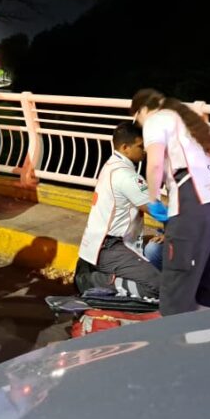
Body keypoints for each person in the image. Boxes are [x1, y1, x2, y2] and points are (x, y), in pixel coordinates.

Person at [132, 89, 210, 315]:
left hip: (195, 196)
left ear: (143, 109)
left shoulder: (157, 118)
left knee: (178, 282)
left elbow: (154, 164)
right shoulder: (196, 123)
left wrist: (153, 198)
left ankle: (174, 343)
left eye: (137, 118)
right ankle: (206, 338)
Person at [77, 121, 161, 301]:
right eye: (140, 146)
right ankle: (94, 282)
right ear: (125, 147)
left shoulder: (111, 165)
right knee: (158, 288)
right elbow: (156, 209)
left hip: (99, 245)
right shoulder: (126, 175)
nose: (144, 150)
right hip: (111, 247)